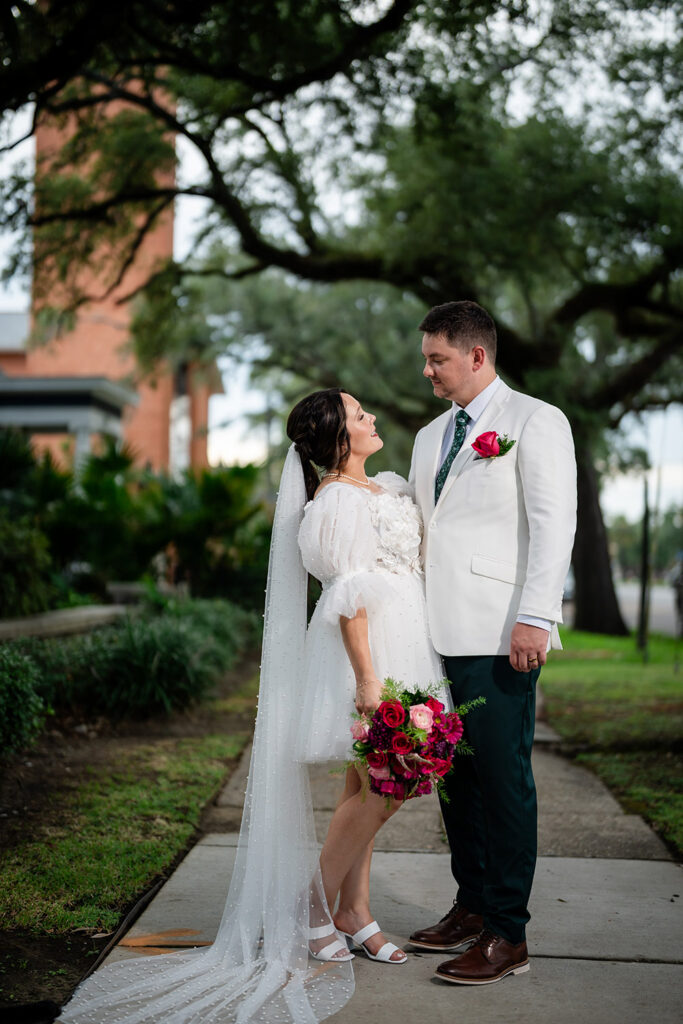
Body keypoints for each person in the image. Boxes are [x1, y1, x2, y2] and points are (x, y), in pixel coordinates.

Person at [57, 387, 446, 1024]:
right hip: (369, 653)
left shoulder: (390, 487)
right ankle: (313, 906)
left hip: (411, 642)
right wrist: (369, 679)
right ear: (337, 438)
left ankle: (355, 910)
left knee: (363, 782)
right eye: (357, 414)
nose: (371, 416)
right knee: (388, 781)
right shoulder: (337, 502)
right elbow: (350, 598)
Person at [408, 300, 577, 985]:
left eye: (437, 359)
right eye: (425, 359)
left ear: (476, 356)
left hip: (501, 633)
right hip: (433, 634)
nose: (427, 370)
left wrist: (536, 615)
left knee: (504, 783)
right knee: (456, 781)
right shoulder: (426, 437)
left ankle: (509, 934)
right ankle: (471, 906)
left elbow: (551, 523)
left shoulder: (535, 421)